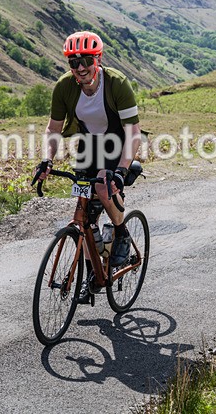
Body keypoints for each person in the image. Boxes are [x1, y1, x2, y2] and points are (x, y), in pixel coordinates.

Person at [36, 31, 141, 297]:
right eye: (74, 62)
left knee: (104, 186)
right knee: (83, 213)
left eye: (86, 61)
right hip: (88, 145)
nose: (80, 68)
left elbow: (133, 132)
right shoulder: (65, 86)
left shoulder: (117, 83)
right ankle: (92, 273)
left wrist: (121, 170)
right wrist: (47, 159)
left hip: (117, 141)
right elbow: (53, 129)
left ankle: (121, 232)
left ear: (98, 59)